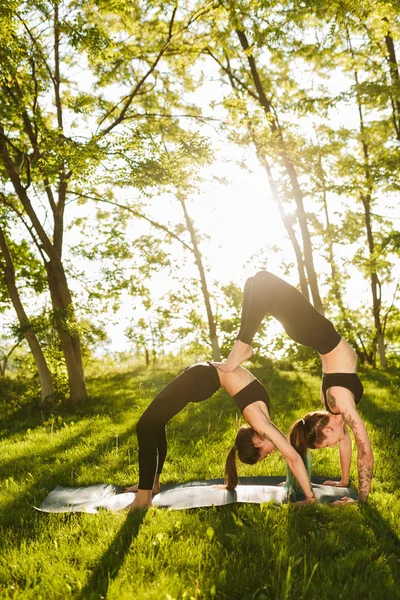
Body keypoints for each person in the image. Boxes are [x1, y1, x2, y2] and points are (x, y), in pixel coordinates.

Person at [218, 270, 373, 504]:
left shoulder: (339, 404)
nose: (334, 445)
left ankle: (243, 345)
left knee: (261, 281)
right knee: (254, 283)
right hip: (311, 332)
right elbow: (347, 442)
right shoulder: (337, 408)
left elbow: (365, 450)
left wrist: (361, 501)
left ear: (328, 430)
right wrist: (343, 482)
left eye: (327, 444)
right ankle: (243, 344)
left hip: (313, 331)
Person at [125, 361, 315, 511]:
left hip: (202, 377)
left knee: (149, 426)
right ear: (258, 441)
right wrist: (310, 498)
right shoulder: (262, 424)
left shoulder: (262, 423)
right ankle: (147, 494)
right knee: (150, 426)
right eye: (263, 455)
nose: (270, 454)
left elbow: (291, 455)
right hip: (200, 377)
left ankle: (147, 491)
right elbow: (293, 458)